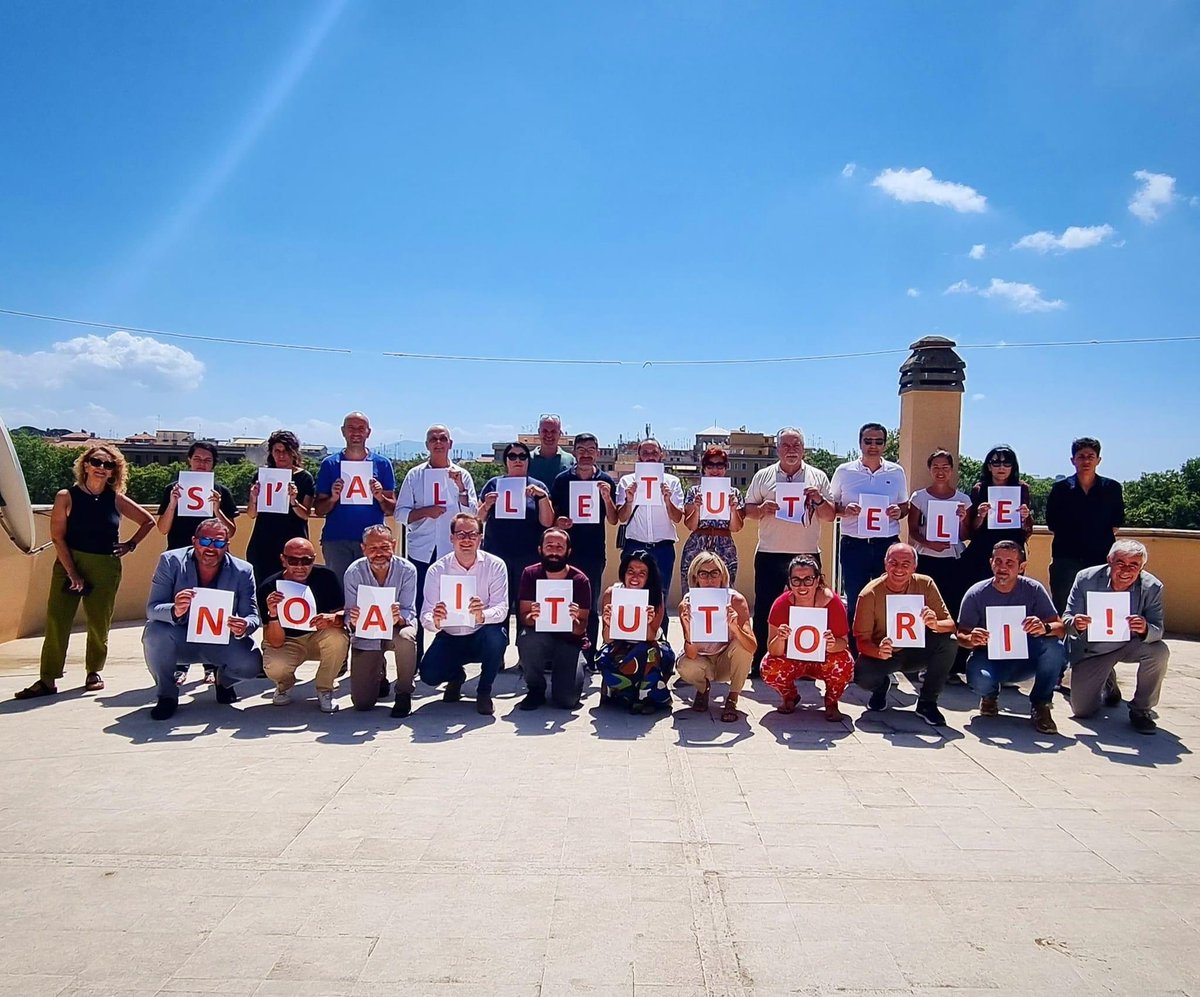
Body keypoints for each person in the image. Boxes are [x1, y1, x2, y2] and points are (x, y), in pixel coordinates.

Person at [15, 445, 155, 700]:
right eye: (96, 462)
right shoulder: (66, 496)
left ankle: (93, 672)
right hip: (70, 561)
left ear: (115, 471)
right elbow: (57, 537)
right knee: (58, 620)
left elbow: (149, 521)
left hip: (105, 564)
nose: (101, 468)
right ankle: (48, 678)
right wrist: (72, 573)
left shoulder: (115, 498)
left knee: (99, 621)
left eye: (108, 465)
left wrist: (130, 544)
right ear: (86, 465)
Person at [141, 519, 262, 721]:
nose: (211, 548)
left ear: (227, 545)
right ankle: (167, 695)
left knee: (252, 664)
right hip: (180, 637)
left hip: (220, 639)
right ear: (194, 541)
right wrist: (175, 609)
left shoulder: (243, 570)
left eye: (219, 543)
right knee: (154, 633)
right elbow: (152, 609)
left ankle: (223, 681)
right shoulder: (171, 561)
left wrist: (245, 626)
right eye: (205, 542)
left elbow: (252, 615)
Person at [744, 427, 834, 671]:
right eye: (786, 445)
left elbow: (829, 516)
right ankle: (760, 660)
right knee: (766, 607)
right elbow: (747, 510)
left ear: (803, 449)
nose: (791, 450)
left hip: (806, 554)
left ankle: (806, 660)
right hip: (770, 552)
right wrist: (762, 509)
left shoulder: (818, 477)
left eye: (796, 445)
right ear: (777, 449)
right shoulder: (763, 476)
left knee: (808, 608)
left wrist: (818, 500)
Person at [956, 541, 1067, 735]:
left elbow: (1060, 628)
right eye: (998, 561)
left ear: (1021, 567)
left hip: (1027, 658)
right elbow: (961, 634)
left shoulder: (1034, 589)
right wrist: (971, 638)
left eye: (1010, 563)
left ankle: (1041, 704)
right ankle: (989, 696)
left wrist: (1044, 627)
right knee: (978, 679)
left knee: (1055, 647)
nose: (1002, 567)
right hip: (990, 657)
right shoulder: (976, 593)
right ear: (991, 563)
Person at [1063, 539, 1168, 734]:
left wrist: (1145, 628)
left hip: (1130, 644)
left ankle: (1141, 710)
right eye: (1120, 563)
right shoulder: (1085, 578)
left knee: (1159, 651)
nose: (1126, 570)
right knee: (1082, 711)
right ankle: (1107, 681)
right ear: (1109, 560)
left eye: (1134, 565)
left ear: (1142, 567)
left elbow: (1157, 629)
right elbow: (1067, 620)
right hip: (1093, 650)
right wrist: (1076, 623)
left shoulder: (1152, 586)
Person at [395, 424, 479, 657]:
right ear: (427, 445)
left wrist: (461, 489)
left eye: (443, 438)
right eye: (434, 439)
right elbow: (400, 514)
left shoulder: (463, 476)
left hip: (453, 551)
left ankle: (450, 658)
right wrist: (424, 512)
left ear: (450, 444)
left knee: (453, 605)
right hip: (421, 550)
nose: (439, 442)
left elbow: (474, 513)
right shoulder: (414, 475)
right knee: (420, 604)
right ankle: (415, 657)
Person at [852, 542, 957, 726]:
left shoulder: (925, 583)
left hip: (918, 650)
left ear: (914, 567)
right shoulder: (869, 594)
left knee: (949, 642)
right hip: (886, 654)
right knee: (862, 675)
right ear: (885, 564)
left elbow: (950, 625)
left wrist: (935, 624)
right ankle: (881, 687)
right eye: (893, 563)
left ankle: (927, 702)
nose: (899, 568)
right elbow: (861, 640)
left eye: (905, 564)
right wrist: (878, 652)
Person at [419, 513, 508, 716]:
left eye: (472, 534)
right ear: (451, 538)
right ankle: (456, 676)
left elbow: (502, 608)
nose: (466, 539)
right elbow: (425, 613)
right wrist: (436, 620)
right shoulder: (437, 570)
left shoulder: (495, 565)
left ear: (480, 538)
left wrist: (482, 615)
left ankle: (484, 691)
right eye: (460, 534)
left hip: (480, 632)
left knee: (497, 637)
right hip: (450, 636)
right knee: (429, 675)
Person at [831, 423, 908, 634]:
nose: (873, 446)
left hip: (887, 544)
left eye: (878, 442)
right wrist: (845, 510)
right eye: (868, 441)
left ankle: (887, 649)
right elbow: (831, 506)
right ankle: (856, 653)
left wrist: (898, 512)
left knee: (890, 598)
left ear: (885, 444)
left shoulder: (896, 471)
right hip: (854, 545)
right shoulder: (844, 471)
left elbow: (905, 505)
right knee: (856, 599)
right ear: (859, 443)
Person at [550, 432, 618, 669]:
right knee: (562, 602)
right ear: (575, 452)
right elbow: (552, 516)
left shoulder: (606, 481)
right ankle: (560, 654)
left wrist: (607, 498)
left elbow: (613, 519)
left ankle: (589, 657)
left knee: (589, 605)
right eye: (581, 449)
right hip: (565, 553)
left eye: (591, 449)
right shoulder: (562, 480)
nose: (586, 453)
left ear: (597, 452)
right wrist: (560, 522)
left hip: (593, 552)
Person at [759, 554, 854, 721]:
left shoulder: (833, 602)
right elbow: (772, 651)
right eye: (796, 580)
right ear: (789, 582)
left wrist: (831, 644)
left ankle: (832, 702)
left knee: (844, 662)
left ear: (817, 580)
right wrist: (781, 638)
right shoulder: (781, 605)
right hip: (792, 659)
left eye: (808, 579)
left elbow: (844, 643)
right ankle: (790, 696)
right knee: (769, 666)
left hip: (824, 659)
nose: (802, 586)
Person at [258, 537, 347, 714]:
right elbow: (274, 641)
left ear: (314, 558)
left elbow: (344, 615)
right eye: (293, 560)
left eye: (306, 560)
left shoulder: (326, 577)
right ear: (283, 559)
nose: (300, 566)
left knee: (338, 636)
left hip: (319, 636)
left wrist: (332, 618)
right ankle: (284, 685)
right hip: (288, 640)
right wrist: (273, 614)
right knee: (274, 664)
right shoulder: (268, 587)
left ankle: (325, 689)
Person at [478, 442, 555, 631]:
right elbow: (477, 520)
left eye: (522, 456)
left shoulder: (538, 486)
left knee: (526, 606)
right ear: (506, 461)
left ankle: (526, 654)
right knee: (496, 604)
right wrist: (486, 505)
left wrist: (542, 497)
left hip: (528, 558)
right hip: (497, 556)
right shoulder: (493, 484)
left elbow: (548, 522)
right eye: (512, 456)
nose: (517, 460)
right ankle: (497, 654)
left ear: (528, 461)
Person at [343, 525, 419, 717]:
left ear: (394, 545)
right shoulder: (353, 572)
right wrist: (353, 619)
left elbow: (409, 610)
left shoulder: (407, 570)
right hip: (367, 633)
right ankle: (379, 674)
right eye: (373, 548)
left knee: (406, 638)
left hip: (396, 628)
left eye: (385, 547)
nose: (379, 553)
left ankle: (404, 692)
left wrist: (399, 618)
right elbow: (348, 615)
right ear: (363, 548)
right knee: (362, 703)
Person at [313, 412, 397, 584]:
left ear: (368, 432)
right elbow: (319, 509)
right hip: (336, 540)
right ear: (343, 431)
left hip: (373, 542)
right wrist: (333, 498)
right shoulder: (329, 464)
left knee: (372, 590)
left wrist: (380, 497)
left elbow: (391, 509)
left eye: (361, 428)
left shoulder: (383, 464)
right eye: (351, 428)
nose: (356, 432)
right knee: (338, 591)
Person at [1045, 437, 1125, 613]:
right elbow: (1052, 523)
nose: (1086, 461)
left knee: (1100, 606)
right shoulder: (1060, 489)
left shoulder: (1112, 488)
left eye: (1091, 456)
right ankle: (1065, 641)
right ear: (1073, 460)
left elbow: (1115, 523)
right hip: (1066, 558)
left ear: (1099, 460)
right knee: (1063, 605)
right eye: (1081, 456)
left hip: (1101, 557)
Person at [515, 528, 591, 711]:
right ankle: (535, 688)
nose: (555, 551)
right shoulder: (530, 574)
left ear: (568, 551)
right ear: (540, 549)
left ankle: (575, 664)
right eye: (549, 546)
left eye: (560, 546)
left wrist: (574, 620)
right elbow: (524, 617)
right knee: (527, 638)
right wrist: (533, 616)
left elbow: (581, 628)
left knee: (566, 701)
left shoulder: (580, 580)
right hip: (540, 637)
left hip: (569, 640)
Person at [615, 438, 684, 635]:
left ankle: (659, 646)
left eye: (654, 452)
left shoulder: (672, 482)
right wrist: (628, 500)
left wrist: (668, 500)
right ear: (639, 456)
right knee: (631, 594)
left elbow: (678, 518)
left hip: (662, 548)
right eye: (645, 453)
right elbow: (621, 517)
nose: (650, 457)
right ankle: (628, 643)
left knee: (659, 597)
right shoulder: (627, 481)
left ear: (661, 455)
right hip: (634, 546)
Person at [676, 552, 755, 722]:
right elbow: (690, 654)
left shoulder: (735, 600)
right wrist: (689, 630)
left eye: (714, 573)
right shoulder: (687, 604)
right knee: (684, 665)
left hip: (726, 660)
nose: (709, 579)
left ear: (723, 575)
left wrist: (735, 628)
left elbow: (752, 646)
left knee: (742, 647)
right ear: (696, 578)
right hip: (702, 660)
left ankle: (732, 698)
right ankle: (703, 689)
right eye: (703, 574)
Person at [597, 549, 676, 714]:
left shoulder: (655, 596)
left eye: (642, 573)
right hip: (620, 643)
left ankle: (645, 697)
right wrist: (609, 623)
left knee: (647, 653)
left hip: (649, 644)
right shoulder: (612, 593)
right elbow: (607, 639)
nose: (635, 577)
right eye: (631, 571)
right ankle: (625, 693)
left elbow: (651, 635)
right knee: (604, 657)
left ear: (648, 577)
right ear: (624, 573)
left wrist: (647, 622)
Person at [907, 449, 971, 626]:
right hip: (926, 558)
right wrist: (929, 543)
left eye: (945, 467)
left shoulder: (963, 499)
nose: (940, 471)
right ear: (930, 470)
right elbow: (912, 530)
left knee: (951, 602)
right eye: (935, 467)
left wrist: (964, 519)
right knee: (922, 603)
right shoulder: (919, 497)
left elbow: (966, 535)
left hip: (952, 559)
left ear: (951, 470)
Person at [244, 429, 316, 586]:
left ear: (294, 453)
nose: (281, 455)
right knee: (262, 587)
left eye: (286, 451)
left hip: (292, 542)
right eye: (277, 451)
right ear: (271, 452)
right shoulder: (262, 475)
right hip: (263, 541)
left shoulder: (304, 478)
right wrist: (253, 497)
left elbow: (305, 514)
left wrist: (293, 501)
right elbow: (251, 513)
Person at [961, 444, 1033, 589]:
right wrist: (981, 515)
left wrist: (1025, 516)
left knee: (1011, 588)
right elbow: (972, 529)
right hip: (984, 548)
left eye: (1007, 463)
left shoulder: (1022, 488)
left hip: (1012, 546)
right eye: (996, 463)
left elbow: (1028, 528)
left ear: (1013, 467)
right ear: (989, 466)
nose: (1001, 467)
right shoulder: (979, 489)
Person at [680, 446, 746, 596]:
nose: (715, 470)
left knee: (725, 591)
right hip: (697, 543)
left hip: (724, 544)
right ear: (704, 468)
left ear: (725, 468)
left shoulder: (733, 492)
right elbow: (690, 525)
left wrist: (734, 509)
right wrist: (697, 508)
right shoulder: (694, 491)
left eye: (720, 465)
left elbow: (736, 527)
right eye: (710, 465)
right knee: (692, 588)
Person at [156, 440, 239, 552]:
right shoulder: (173, 490)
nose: (202, 464)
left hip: (212, 554)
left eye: (207, 460)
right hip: (179, 553)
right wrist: (172, 505)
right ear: (189, 460)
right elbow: (162, 529)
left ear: (213, 463)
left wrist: (217, 510)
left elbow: (231, 532)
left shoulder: (222, 492)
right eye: (197, 459)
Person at [529, 413, 576, 485]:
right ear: (539, 432)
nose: (549, 435)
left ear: (560, 433)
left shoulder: (570, 460)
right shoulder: (527, 459)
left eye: (553, 431)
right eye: (545, 431)